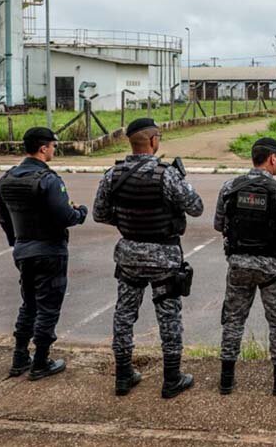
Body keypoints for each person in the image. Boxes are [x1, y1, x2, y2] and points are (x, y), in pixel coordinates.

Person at [93, 118, 204, 399]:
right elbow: (196, 208)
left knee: (124, 315)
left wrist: (130, 224)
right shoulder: (166, 175)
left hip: (129, 256)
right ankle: (172, 379)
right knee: (169, 318)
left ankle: (123, 376)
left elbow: (99, 214)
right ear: (153, 141)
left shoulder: (113, 174)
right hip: (163, 258)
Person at [214, 137, 276, 396]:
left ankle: (226, 379)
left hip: (238, 266)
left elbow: (218, 224)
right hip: (272, 270)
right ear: (272, 159)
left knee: (233, 320)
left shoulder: (229, 187)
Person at [0, 127, 88, 381]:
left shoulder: (6, 179)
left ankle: (19, 356)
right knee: (48, 307)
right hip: (49, 250)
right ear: (43, 148)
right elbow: (66, 216)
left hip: (23, 250)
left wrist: (17, 244)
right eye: (53, 146)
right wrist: (81, 212)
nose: (54, 150)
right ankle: (40, 362)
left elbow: (5, 219)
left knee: (29, 304)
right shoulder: (48, 180)